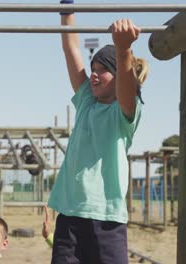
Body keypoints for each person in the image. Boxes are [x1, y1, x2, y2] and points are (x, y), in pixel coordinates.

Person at [47, 1, 149, 263]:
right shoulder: (86, 102)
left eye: (103, 70)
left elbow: (127, 87)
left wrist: (123, 47)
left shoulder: (123, 112)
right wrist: (67, 9)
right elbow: (70, 49)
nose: (93, 75)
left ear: (118, 76)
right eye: (93, 69)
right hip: (69, 217)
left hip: (106, 221)